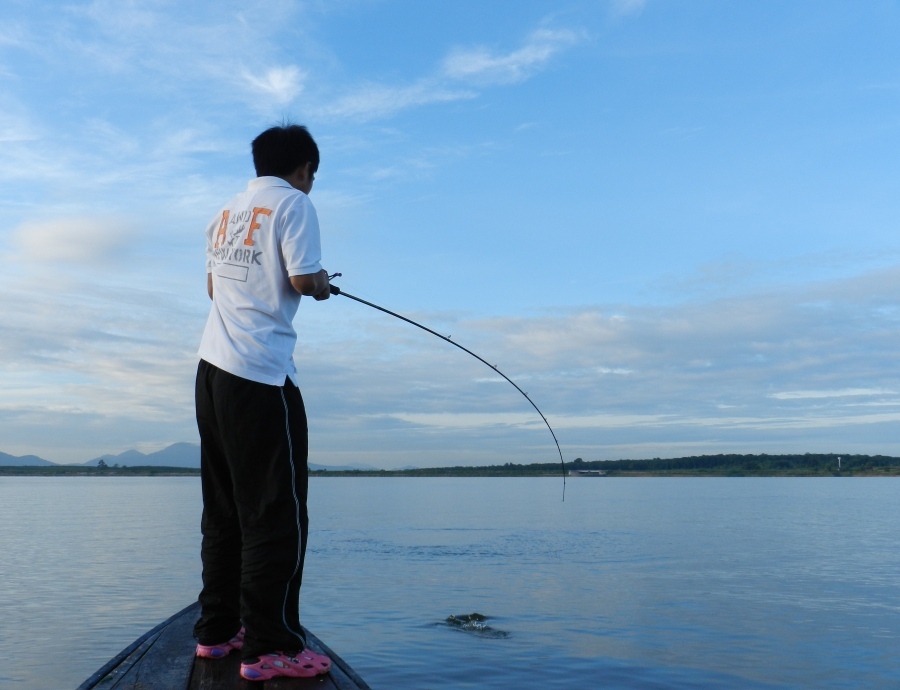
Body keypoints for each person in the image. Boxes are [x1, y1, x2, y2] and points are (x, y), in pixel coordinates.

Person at [192, 124, 333, 682]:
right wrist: (321, 283)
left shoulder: (224, 213)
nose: (311, 186)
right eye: (312, 177)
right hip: (261, 376)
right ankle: (271, 647)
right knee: (278, 515)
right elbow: (301, 278)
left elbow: (212, 290)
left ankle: (219, 633)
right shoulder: (294, 205)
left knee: (224, 513)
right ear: (302, 170)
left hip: (210, 373)